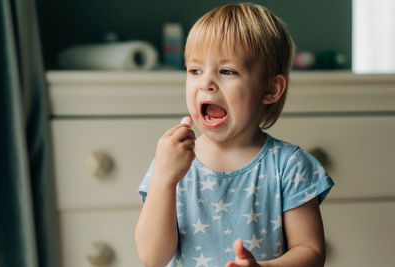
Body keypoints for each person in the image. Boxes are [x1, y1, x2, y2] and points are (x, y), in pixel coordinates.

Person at [135, 3, 334, 267]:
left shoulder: (289, 165)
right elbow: (152, 258)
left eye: (227, 71)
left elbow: (311, 252)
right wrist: (163, 179)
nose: (206, 82)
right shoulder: (171, 161)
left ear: (271, 89)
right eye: (195, 70)